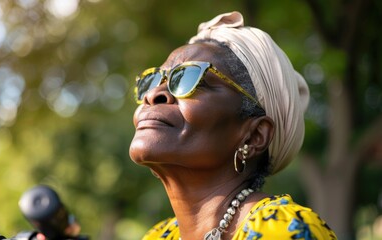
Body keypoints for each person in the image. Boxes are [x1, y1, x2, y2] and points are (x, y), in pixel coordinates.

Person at [129, 11, 337, 240]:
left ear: (254, 135)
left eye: (189, 78)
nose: (154, 94)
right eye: (154, 80)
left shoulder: (283, 229)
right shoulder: (158, 236)